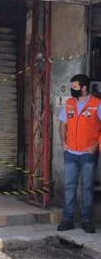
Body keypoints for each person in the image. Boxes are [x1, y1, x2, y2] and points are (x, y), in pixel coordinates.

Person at [57, 74, 101, 233]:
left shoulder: (97, 104)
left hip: (88, 154)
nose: (72, 90)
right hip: (70, 153)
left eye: (74, 87)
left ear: (84, 88)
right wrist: (63, 145)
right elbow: (63, 125)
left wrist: (96, 146)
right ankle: (68, 219)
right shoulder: (69, 103)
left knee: (87, 187)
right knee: (69, 186)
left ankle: (86, 220)